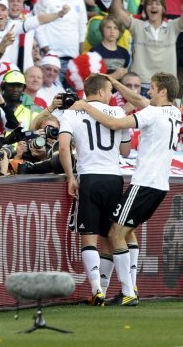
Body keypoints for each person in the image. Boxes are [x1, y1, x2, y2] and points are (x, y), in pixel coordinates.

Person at [72, 72, 182, 306]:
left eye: (152, 88)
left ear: (162, 91)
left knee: (114, 234)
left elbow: (114, 123)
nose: (148, 92)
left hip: (144, 183)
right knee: (127, 232)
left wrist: (85, 106)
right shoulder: (175, 111)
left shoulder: (152, 113)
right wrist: (116, 83)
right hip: (160, 185)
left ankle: (128, 291)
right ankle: (127, 288)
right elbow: (141, 102)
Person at [57, 74, 131, 305]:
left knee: (88, 237)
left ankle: (97, 289)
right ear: (100, 92)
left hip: (89, 176)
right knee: (110, 236)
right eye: (110, 91)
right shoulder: (118, 113)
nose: (112, 96)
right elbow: (126, 151)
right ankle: (112, 289)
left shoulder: (71, 113)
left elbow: (62, 147)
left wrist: (71, 176)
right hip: (114, 177)